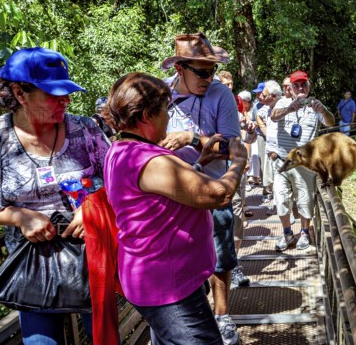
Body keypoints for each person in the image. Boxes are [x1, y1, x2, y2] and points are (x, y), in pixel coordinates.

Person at [0, 47, 110, 344]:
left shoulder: (86, 130)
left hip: (92, 256)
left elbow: (121, 185)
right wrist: (18, 216)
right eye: (54, 93)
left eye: (67, 92)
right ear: (20, 93)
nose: (66, 100)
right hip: (33, 264)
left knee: (104, 338)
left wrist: (93, 208)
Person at [102, 72, 247, 345]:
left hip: (161, 280)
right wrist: (239, 161)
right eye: (165, 111)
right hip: (169, 288)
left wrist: (199, 164)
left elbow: (163, 196)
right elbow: (219, 195)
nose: (169, 118)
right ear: (146, 116)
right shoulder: (147, 160)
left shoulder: (121, 149)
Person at [158, 32, 242, 345]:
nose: (210, 77)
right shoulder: (161, 92)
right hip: (169, 191)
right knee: (178, 256)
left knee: (220, 253)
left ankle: (222, 316)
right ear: (180, 69)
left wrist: (191, 139)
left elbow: (232, 147)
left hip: (211, 187)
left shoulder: (221, 95)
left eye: (212, 70)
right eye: (202, 72)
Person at [270, 70, 335, 251]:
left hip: (305, 164)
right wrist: (290, 108)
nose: (300, 88)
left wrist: (323, 110)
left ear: (309, 86)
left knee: (305, 200)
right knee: (281, 199)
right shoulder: (283, 102)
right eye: (296, 85)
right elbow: (273, 116)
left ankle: (305, 233)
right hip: (282, 163)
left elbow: (330, 122)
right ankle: (287, 233)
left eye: (303, 85)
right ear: (289, 88)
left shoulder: (315, 104)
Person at [218, 72, 256, 289]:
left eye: (230, 84)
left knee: (237, 214)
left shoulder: (236, 104)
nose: (228, 87)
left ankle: (235, 263)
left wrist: (249, 132)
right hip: (213, 172)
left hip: (235, 170)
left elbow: (249, 138)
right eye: (225, 84)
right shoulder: (202, 103)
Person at [258, 80, 282, 215]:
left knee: (282, 183)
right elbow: (258, 115)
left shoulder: (284, 106)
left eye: (264, 95)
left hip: (282, 152)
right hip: (271, 151)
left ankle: (285, 212)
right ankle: (278, 207)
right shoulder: (266, 108)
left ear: (273, 96)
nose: (262, 97)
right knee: (273, 180)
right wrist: (265, 131)